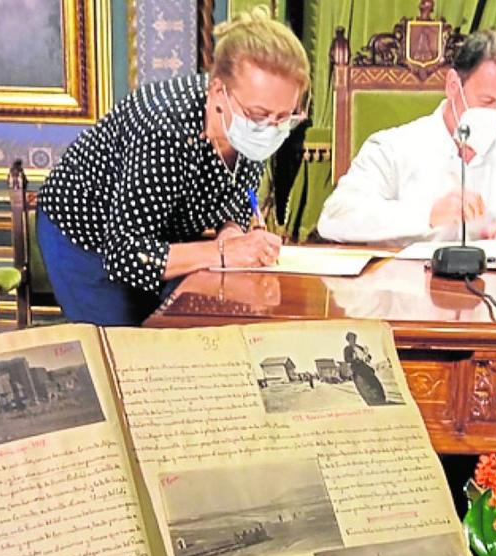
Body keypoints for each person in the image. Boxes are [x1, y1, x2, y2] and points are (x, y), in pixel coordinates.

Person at [36, 6, 308, 325]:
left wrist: (234, 233)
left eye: (284, 118)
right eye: (259, 115)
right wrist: (223, 253)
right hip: (87, 237)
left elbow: (234, 202)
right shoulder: (164, 128)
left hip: (161, 237)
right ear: (218, 91)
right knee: (121, 343)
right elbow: (125, 255)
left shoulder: (249, 125)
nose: (271, 129)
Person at [317, 28, 496, 246]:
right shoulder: (392, 148)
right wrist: (427, 214)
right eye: (487, 101)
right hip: (404, 275)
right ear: (453, 86)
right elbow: (334, 218)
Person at [343, 332, 386, 405]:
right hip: (357, 369)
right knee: (364, 387)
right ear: (348, 340)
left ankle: (381, 397)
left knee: (375, 382)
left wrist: (367, 356)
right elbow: (347, 359)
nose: (353, 340)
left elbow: (368, 357)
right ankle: (372, 401)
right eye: (351, 338)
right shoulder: (347, 349)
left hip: (365, 367)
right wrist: (355, 359)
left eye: (354, 338)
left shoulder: (360, 347)